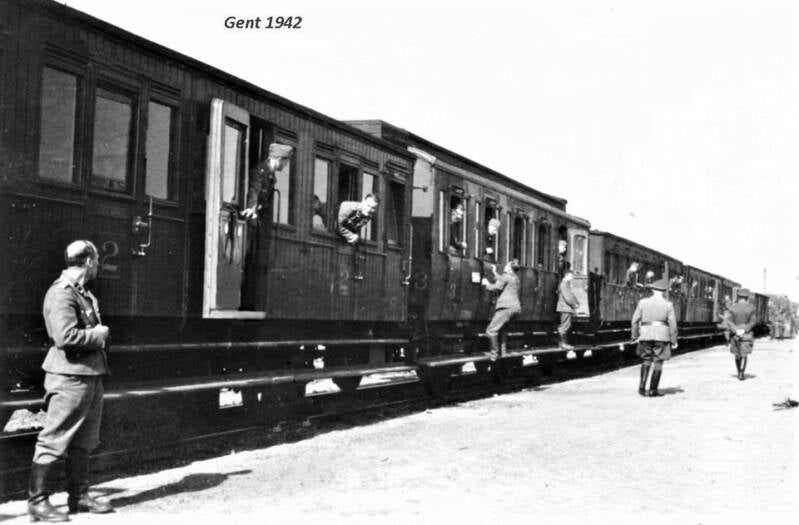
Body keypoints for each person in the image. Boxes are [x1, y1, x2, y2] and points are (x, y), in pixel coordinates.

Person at [27, 240, 113, 522]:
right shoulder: (60, 293)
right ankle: (37, 502)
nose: (98, 265)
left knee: (84, 440)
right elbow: (65, 337)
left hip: (89, 375)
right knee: (54, 439)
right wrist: (98, 336)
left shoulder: (81, 292)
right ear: (88, 261)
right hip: (69, 378)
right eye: (96, 260)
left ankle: (79, 497)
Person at [631, 277, 678, 397]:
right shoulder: (668, 305)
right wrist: (674, 339)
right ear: (664, 291)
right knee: (658, 361)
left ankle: (641, 388)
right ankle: (653, 390)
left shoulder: (642, 302)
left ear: (653, 290)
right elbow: (673, 323)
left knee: (646, 359)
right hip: (662, 336)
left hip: (645, 334)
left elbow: (634, 320)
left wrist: (635, 336)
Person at [240, 143, 294, 220]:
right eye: (286, 162)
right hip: (250, 217)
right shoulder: (259, 172)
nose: (286, 165)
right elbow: (254, 190)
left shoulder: (271, 175)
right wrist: (252, 207)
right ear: (279, 159)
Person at [482, 259, 521, 362]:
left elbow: (497, 287)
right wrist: (495, 272)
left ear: (509, 268)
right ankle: (503, 352)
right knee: (502, 330)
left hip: (505, 307)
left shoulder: (506, 276)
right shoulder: (515, 278)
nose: (505, 267)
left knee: (491, 330)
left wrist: (486, 285)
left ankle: (494, 354)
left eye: (506, 265)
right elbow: (503, 280)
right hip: (515, 308)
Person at [337, 194, 379, 280]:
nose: (369, 210)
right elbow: (337, 225)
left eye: (373, 208)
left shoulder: (368, 216)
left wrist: (354, 236)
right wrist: (351, 236)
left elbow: (354, 228)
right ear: (363, 201)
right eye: (368, 205)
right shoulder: (348, 207)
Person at [726, 288, 756, 380]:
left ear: (738, 297)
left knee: (737, 354)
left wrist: (736, 330)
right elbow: (753, 322)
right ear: (747, 298)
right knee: (744, 354)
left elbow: (729, 321)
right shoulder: (751, 308)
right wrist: (745, 329)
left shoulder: (732, 308)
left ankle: (738, 371)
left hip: (735, 334)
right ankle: (742, 373)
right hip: (746, 334)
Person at [556, 262, 580, 350]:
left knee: (566, 325)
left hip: (565, 307)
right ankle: (563, 344)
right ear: (566, 275)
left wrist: (576, 302)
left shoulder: (565, 284)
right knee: (564, 326)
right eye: (571, 275)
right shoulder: (564, 284)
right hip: (565, 308)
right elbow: (568, 297)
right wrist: (574, 304)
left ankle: (563, 343)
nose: (572, 277)